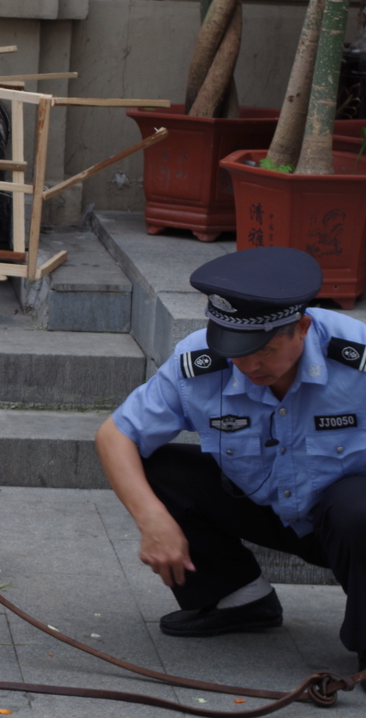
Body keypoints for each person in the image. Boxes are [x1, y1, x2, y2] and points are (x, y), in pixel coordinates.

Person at [95, 246, 366, 673]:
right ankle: (240, 599)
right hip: (269, 503)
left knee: (358, 510)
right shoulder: (201, 361)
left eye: (264, 351)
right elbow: (116, 435)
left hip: (349, 523)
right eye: (236, 351)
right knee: (157, 469)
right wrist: (152, 519)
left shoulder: (357, 357)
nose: (250, 365)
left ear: (302, 327)